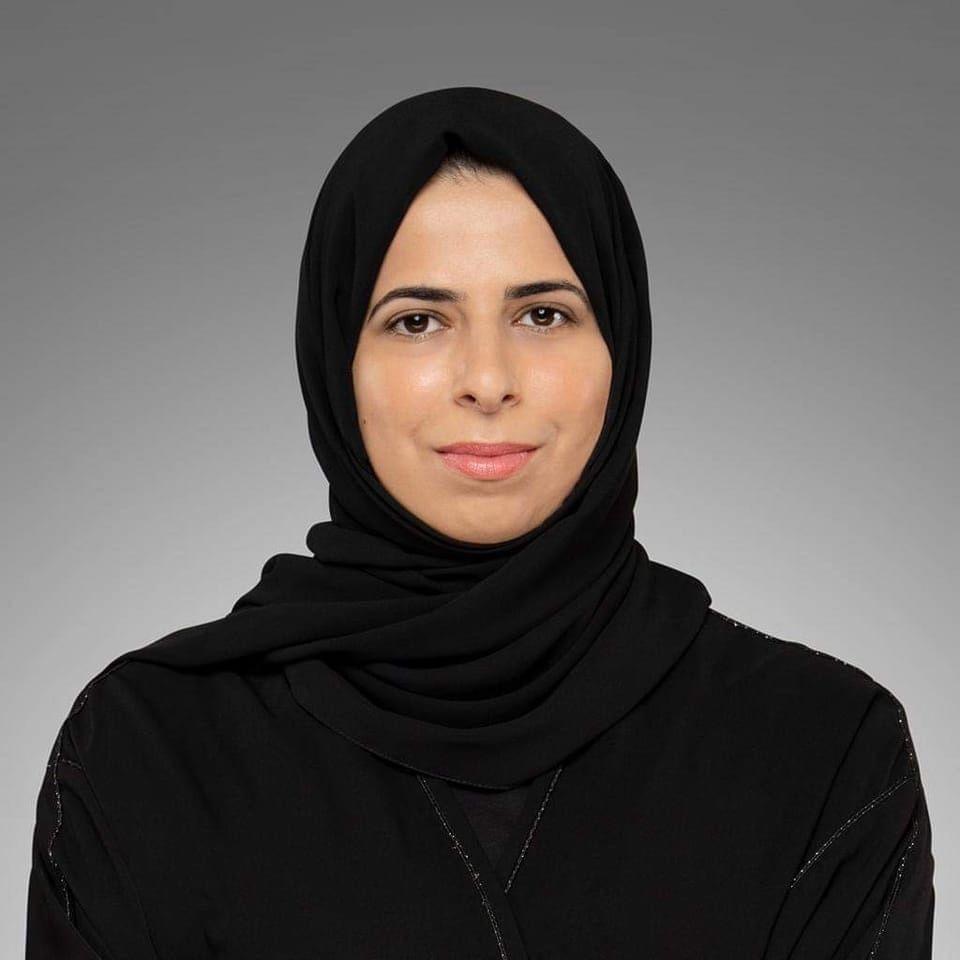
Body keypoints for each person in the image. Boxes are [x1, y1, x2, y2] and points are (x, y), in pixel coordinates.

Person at [25, 86, 935, 959]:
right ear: (336, 360)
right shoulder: (149, 753)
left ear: (621, 348)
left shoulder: (822, 750)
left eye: (543, 314)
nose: (489, 381)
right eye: (418, 321)